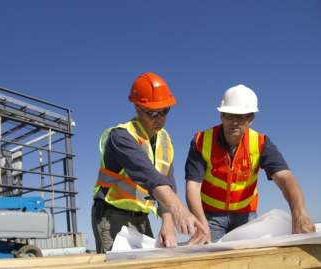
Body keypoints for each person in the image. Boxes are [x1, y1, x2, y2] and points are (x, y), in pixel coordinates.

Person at [184, 84, 316, 245]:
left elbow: (285, 179)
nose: (234, 122)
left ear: (251, 119)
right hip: (210, 216)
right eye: (229, 115)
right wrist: (200, 223)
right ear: (221, 116)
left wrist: (299, 213)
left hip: (245, 216)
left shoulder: (261, 143)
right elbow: (192, 187)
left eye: (240, 117)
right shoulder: (201, 141)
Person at [91, 72, 206, 254]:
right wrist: (179, 210)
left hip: (141, 217)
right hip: (112, 215)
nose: (159, 118)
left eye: (164, 111)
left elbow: (167, 182)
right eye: (152, 113)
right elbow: (150, 177)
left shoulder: (164, 140)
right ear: (138, 109)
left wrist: (167, 223)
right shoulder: (121, 136)